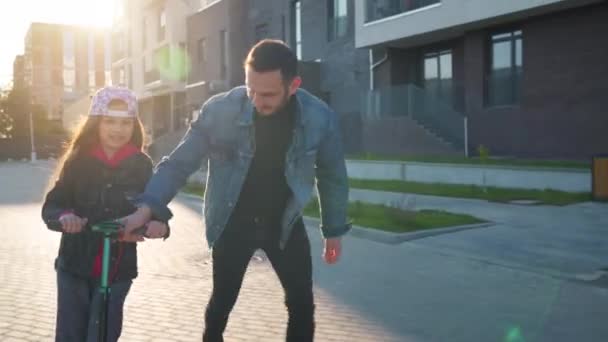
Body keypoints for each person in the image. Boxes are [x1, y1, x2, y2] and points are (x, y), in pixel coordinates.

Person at [120, 39, 351, 342]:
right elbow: (178, 164)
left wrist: (333, 228)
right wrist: (148, 206)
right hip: (233, 223)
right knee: (221, 303)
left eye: (267, 94)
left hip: (284, 223)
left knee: (302, 304)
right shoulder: (220, 111)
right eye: (250, 89)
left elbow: (332, 173)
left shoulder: (319, 118)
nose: (256, 100)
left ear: (293, 85)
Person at [41, 86, 170, 342]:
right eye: (109, 121)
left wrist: (159, 225)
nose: (117, 129)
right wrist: (65, 217)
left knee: (102, 335)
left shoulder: (141, 165)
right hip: (74, 268)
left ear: (134, 126)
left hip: (117, 271)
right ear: (96, 124)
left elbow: (154, 208)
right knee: (69, 335)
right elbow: (52, 207)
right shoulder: (78, 161)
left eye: (125, 123)